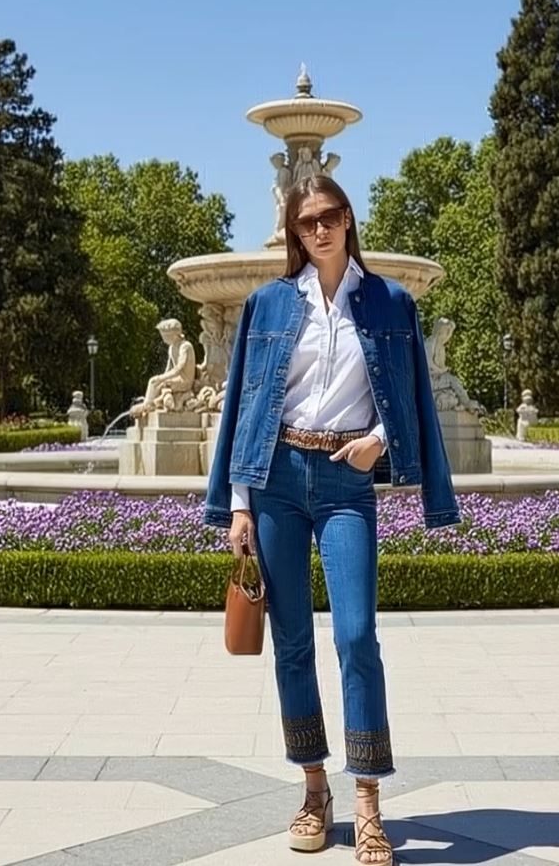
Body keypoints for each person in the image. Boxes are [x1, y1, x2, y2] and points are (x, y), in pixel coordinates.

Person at [204, 174, 459, 864]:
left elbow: (407, 390)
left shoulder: (389, 301)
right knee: (291, 642)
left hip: (347, 481)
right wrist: (238, 504)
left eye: (328, 216)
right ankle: (314, 789)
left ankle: (368, 800)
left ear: (348, 220)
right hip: (278, 478)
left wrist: (379, 438)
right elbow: (247, 403)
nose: (318, 229)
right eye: (305, 221)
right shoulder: (267, 303)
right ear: (293, 231)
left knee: (355, 636)